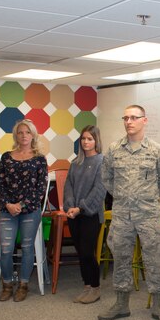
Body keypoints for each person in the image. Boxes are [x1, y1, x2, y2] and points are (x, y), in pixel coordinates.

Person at [99, 104, 160, 320]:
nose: (129, 121)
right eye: (126, 118)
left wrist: (144, 198)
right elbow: (107, 179)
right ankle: (121, 304)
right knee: (120, 258)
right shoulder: (114, 150)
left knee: (155, 259)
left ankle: (159, 306)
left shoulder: (157, 151)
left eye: (134, 117)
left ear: (144, 120)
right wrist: (125, 198)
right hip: (122, 215)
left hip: (148, 215)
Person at [0, 119, 48, 302]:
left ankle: (23, 285)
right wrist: (9, 204)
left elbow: (40, 189)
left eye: (27, 132)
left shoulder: (40, 159)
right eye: (20, 132)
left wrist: (22, 205)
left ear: (33, 135)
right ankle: (8, 284)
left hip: (30, 210)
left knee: (27, 248)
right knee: (6, 249)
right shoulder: (6, 157)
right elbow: (0, 184)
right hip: (7, 210)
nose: (24, 135)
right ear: (16, 135)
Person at [64, 125, 106, 304]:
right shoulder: (75, 163)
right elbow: (68, 187)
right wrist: (70, 206)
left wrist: (81, 208)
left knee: (88, 252)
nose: (86, 142)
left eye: (90, 139)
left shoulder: (102, 161)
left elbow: (99, 190)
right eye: (83, 139)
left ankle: (95, 288)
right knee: (81, 252)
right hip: (74, 214)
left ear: (96, 141)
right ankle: (87, 286)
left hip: (91, 214)